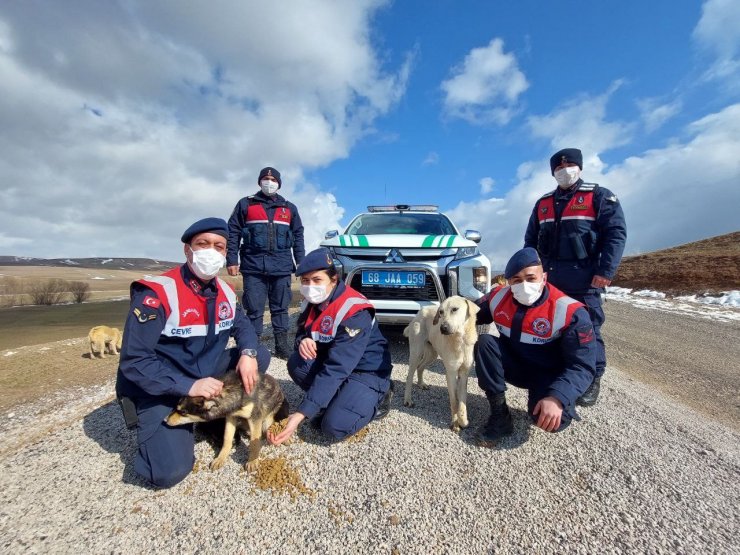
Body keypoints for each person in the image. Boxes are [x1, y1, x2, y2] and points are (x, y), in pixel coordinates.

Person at [116, 217, 271, 488]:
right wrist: (189, 386)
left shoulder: (224, 290)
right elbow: (135, 362)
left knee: (260, 357)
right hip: (162, 383)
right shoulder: (157, 293)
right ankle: (174, 423)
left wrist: (247, 353)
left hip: (204, 372)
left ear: (225, 253)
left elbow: (244, 326)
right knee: (168, 473)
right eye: (203, 244)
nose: (211, 251)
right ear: (188, 250)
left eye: (219, 246)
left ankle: (212, 414)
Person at [524, 148, 626, 406]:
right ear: (552, 172)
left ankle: (592, 378)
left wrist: (606, 271)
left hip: (585, 279)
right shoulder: (543, 203)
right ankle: (559, 372)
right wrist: (533, 272)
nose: (564, 169)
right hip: (551, 280)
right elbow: (530, 241)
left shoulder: (599, 196)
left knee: (587, 330)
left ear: (579, 167)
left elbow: (615, 234)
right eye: (558, 167)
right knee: (552, 327)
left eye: (569, 164)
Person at [267, 248, 393, 445]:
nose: (310, 287)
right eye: (305, 281)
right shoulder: (313, 302)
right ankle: (335, 400)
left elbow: (337, 367)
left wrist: (301, 413)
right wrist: (303, 341)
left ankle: (381, 396)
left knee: (333, 427)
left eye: (317, 280)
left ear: (333, 280)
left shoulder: (353, 310)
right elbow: (302, 332)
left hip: (365, 372)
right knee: (297, 362)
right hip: (336, 364)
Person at [474, 247, 597, 442]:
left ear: (544, 278)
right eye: (516, 280)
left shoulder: (570, 311)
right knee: (485, 343)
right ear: (509, 282)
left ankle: (548, 398)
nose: (524, 285)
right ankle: (500, 415)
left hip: (548, 373)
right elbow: (468, 312)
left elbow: (583, 365)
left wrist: (558, 396)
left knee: (554, 421)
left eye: (530, 278)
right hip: (514, 366)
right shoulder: (497, 297)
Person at [227, 167, 305, 359]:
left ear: (279, 183)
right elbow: (233, 232)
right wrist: (231, 259)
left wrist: (302, 263)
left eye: (272, 179)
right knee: (254, 309)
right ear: (259, 182)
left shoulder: (289, 208)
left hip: (282, 267)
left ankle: (282, 347)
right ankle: (254, 347)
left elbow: (298, 236)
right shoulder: (245, 204)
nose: (269, 182)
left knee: (281, 308)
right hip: (253, 267)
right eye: (265, 178)